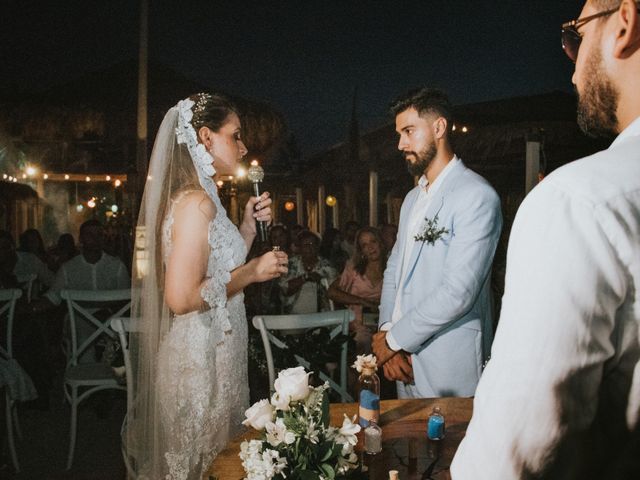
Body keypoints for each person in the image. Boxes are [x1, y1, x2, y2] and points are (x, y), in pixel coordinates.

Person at [451, 2, 640, 479]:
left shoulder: (579, 201)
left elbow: (515, 455)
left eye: (575, 36)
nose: (573, 70)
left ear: (625, 22)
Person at [126, 93, 288, 480]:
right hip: (198, 363)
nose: (243, 145)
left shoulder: (206, 197)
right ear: (205, 137)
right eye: (235, 135)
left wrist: (247, 229)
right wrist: (251, 272)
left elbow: (216, 273)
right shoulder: (195, 203)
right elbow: (180, 297)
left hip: (219, 351)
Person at [372, 87, 502, 398]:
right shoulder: (411, 199)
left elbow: (459, 292)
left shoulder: (476, 196)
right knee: (406, 446)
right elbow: (393, 271)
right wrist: (387, 331)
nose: (400, 143)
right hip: (402, 362)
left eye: (409, 131)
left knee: (455, 447)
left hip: (448, 362)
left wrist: (392, 341)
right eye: (399, 133)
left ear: (439, 128)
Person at [328, 226, 386, 354]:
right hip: (358, 325)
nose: (370, 247)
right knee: (364, 341)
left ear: (380, 243)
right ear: (361, 251)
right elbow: (332, 292)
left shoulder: (392, 267)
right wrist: (362, 301)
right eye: (364, 245)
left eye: (373, 241)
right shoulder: (354, 269)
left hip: (385, 322)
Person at [279, 230, 336, 314]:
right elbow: (285, 289)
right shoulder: (291, 264)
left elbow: (335, 293)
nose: (309, 248)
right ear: (300, 248)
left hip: (321, 319)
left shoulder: (327, 266)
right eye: (305, 245)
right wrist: (305, 277)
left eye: (312, 244)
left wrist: (321, 281)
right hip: (293, 319)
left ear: (317, 247)